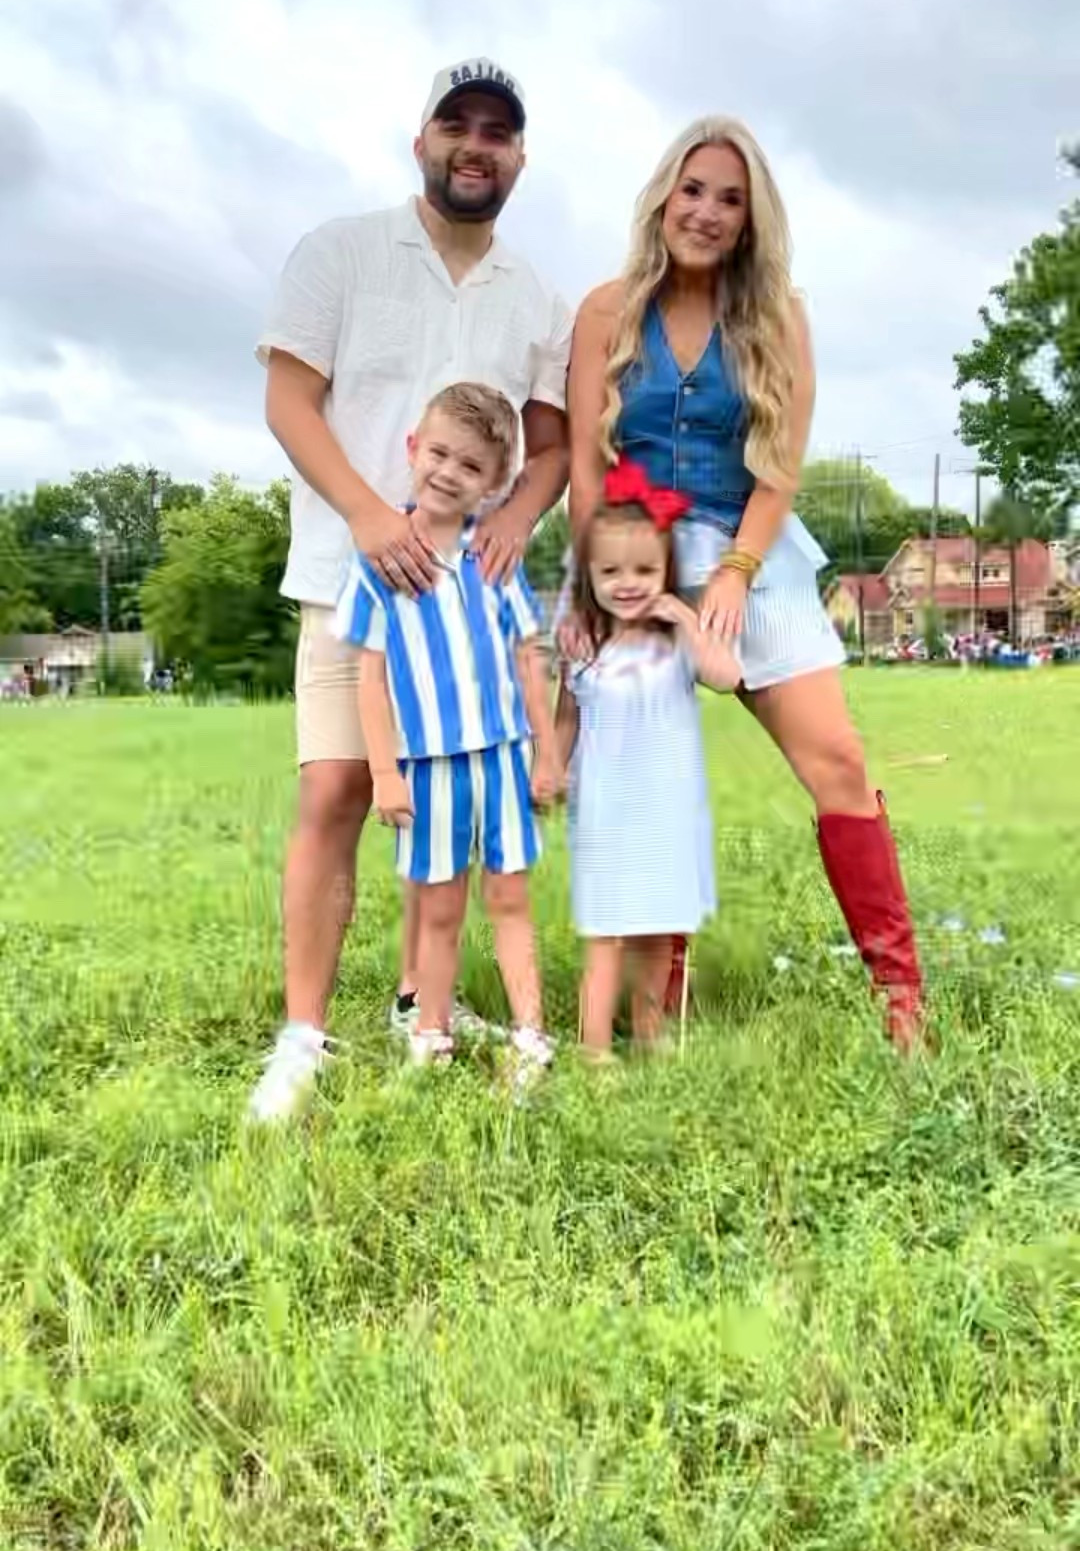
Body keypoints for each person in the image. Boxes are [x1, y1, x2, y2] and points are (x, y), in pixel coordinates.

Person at [250, 59, 572, 1122]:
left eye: (499, 133)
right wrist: (368, 515)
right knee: (340, 790)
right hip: (358, 578)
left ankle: (412, 1001)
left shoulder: (530, 294)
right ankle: (304, 1031)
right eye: (457, 125)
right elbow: (291, 402)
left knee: (452, 793)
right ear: (421, 139)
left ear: (519, 158)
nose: (476, 146)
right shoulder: (340, 252)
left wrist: (520, 516)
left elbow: (553, 438)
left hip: (470, 606)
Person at [565, 117, 925, 1052]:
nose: (708, 212)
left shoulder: (779, 316)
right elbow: (582, 466)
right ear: (662, 197)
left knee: (838, 761)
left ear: (752, 218)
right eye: (693, 190)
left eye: (730, 198)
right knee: (646, 769)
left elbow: (782, 468)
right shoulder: (605, 311)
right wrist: (589, 595)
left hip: (748, 550)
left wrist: (735, 569)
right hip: (632, 559)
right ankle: (656, 996)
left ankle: (901, 997)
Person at [329, 382, 560, 1089]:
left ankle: (531, 1036)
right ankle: (429, 1033)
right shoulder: (380, 564)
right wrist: (384, 772)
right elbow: (368, 679)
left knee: (512, 899)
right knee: (439, 907)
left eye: (470, 466)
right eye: (439, 454)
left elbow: (528, 658)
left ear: (492, 485)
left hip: (502, 761)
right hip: (427, 770)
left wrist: (547, 753)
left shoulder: (494, 559)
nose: (448, 473)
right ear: (413, 450)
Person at [556, 458, 741, 1058]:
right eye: (610, 570)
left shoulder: (675, 644)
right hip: (607, 810)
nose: (628, 582)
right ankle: (593, 1048)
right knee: (606, 932)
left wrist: (687, 618)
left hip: (667, 809)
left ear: (666, 571)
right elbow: (567, 717)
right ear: (588, 573)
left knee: (661, 926)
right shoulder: (586, 646)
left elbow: (730, 676)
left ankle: (648, 1031)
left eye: (644, 569)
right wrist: (550, 767)